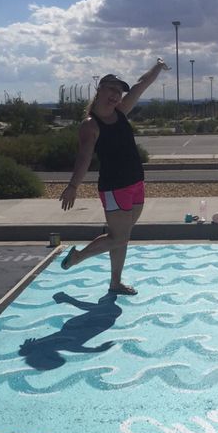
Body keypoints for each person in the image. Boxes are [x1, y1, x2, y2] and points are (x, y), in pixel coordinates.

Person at [59, 58, 170, 294]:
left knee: (121, 236)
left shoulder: (121, 112)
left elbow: (141, 84)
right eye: (111, 89)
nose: (116, 95)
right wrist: (73, 186)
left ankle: (115, 282)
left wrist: (158, 66)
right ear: (99, 90)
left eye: (119, 92)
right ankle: (78, 257)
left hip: (136, 182)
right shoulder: (91, 125)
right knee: (119, 237)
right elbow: (84, 158)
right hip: (114, 187)